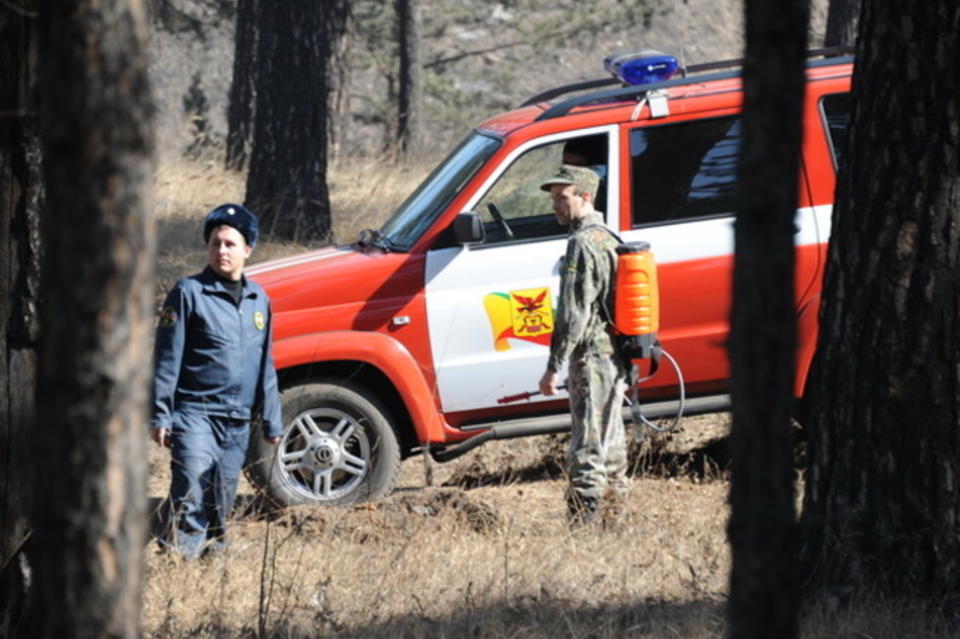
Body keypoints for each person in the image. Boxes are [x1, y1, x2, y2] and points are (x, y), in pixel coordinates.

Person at [150, 203, 283, 558]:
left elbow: (264, 362)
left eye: (229, 244)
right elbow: (166, 358)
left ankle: (212, 567)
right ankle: (178, 561)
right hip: (195, 413)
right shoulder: (188, 293)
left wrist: (272, 417)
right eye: (214, 243)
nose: (221, 251)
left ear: (247, 250)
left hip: (237, 420)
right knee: (191, 488)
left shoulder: (259, 300)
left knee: (221, 498)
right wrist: (161, 414)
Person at [537, 165, 629, 527]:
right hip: (613, 355)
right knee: (612, 444)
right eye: (554, 199)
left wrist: (554, 365)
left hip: (591, 356)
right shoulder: (609, 236)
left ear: (585, 197)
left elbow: (574, 312)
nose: (556, 206)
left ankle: (584, 527)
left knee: (587, 446)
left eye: (563, 198)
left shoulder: (582, 243)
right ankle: (615, 521)